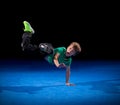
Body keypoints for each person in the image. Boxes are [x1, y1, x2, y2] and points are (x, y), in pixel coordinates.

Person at [21, 21, 82, 86]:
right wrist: (58, 65)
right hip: (47, 50)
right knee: (50, 51)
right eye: (70, 48)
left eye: (72, 51)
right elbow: (55, 58)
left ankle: (28, 31)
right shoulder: (62, 49)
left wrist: (67, 82)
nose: (69, 51)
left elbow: (68, 71)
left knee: (25, 47)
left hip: (42, 55)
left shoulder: (69, 61)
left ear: (74, 54)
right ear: (68, 47)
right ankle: (43, 46)